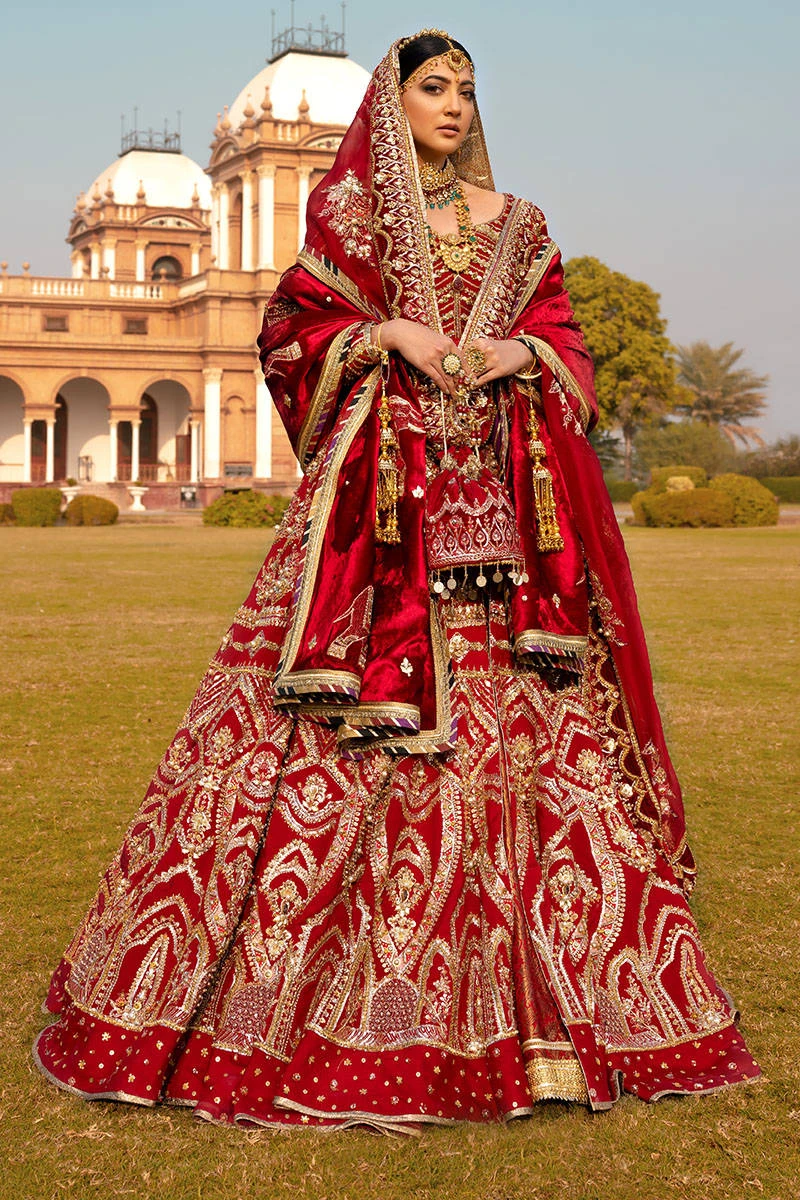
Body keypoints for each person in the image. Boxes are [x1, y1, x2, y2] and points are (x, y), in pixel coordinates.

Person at [34, 31, 759, 1131]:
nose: (456, 105)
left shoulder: (520, 225)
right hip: (376, 534)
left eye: (467, 89)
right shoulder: (353, 224)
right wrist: (382, 334)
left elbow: (564, 343)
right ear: (391, 106)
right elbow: (290, 326)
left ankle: (561, 1025)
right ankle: (320, 1007)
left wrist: (523, 355)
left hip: (509, 529)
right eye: (432, 89)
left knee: (532, 760)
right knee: (340, 752)